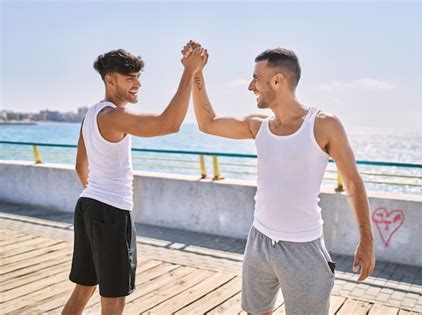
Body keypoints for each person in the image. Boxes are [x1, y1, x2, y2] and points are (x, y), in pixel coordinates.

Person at [189, 45, 376, 315]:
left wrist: (367, 240)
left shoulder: (323, 124)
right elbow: (208, 122)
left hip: (304, 249)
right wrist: (197, 72)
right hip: (259, 240)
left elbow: (353, 183)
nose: (250, 85)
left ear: (278, 80)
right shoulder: (259, 126)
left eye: (256, 78)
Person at [62, 43, 204, 315]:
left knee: (83, 288)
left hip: (87, 206)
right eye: (130, 78)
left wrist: (97, 198)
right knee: (114, 299)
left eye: (138, 77)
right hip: (111, 211)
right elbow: (169, 124)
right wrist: (189, 72)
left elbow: (81, 166)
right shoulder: (114, 116)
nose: (137, 84)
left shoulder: (91, 114)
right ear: (110, 79)